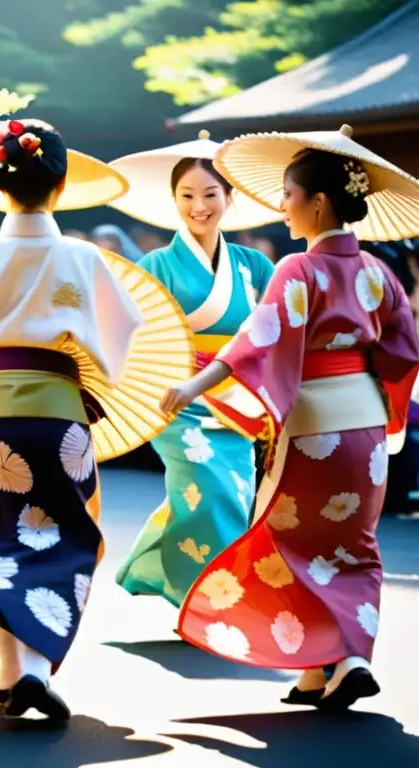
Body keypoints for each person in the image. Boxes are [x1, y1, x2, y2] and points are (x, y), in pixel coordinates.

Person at [162, 125, 419, 710]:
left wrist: (194, 383)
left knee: (289, 544)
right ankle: (331, 664)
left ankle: (334, 659)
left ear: (318, 202)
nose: (281, 206)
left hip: (311, 428)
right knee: (353, 546)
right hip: (366, 430)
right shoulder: (380, 275)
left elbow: (256, 342)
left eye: (288, 193)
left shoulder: (296, 271)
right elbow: (404, 353)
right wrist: (383, 412)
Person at [0, 92, 143, 722]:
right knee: (61, 535)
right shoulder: (82, 257)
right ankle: (26, 669)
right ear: (64, 183)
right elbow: (120, 340)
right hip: (59, 417)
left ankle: (12, 670)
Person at [106, 134, 279, 613]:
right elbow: (131, 334)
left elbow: (272, 333)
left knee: (231, 493)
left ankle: (183, 581)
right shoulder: (155, 265)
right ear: (173, 201)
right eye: (187, 196)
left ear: (230, 198)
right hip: (177, 400)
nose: (198, 206)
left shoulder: (254, 266)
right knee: (211, 490)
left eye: (209, 195)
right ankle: (212, 606)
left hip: (239, 402)